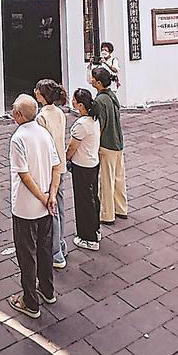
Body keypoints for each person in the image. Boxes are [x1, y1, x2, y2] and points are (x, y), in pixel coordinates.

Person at [8, 94, 61, 319]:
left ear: (19, 115)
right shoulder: (44, 133)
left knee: (27, 255)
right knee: (45, 250)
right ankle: (47, 290)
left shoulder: (18, 138)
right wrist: (51, 195)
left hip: (25, 207)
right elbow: (57, 167)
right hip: (46, 206)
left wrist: (42, 197)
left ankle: (30, 301)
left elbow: (24, 175)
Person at [34, 79, 68, 270]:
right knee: (60, 205)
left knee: (51, 207)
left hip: (49, 167)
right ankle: (61, 243)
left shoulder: (41, 117)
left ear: (42, 95)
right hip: (60, 164)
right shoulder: (59, 112)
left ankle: (55, 252)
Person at [90, 67, 127, 225]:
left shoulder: (100, 101)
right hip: (118, 141)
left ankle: (107, 214)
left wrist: (95, 144)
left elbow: (100, 125)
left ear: (98, 83)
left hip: (106, 143)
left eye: (93, 78)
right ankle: (121, 208)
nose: (91, 80)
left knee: (106, 180)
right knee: (119, 177)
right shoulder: (112, 96)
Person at [67, 89, 101, 251]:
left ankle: (88, 237)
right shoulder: (94, 119)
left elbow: (72, 147)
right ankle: (95, 230)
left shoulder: (81, 125)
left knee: (83, 202)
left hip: (82, 166)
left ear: (80, 105)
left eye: (74, 100)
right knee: (92, 198)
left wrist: (66, 158)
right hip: (92, 162)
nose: (72, 102)